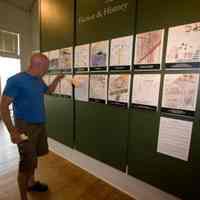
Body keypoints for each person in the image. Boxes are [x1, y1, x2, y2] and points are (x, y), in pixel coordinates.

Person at [0, 53, 71, 200]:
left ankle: (31, 183)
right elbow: (3, 107)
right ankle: (23, 197)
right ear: (38, 65)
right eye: (46, 67)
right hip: (24, 127)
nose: (47, 70)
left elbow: (48, 91)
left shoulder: (38, 80)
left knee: (34, 158)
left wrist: (57, 79)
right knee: (26, 163)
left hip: (39, 125)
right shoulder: (16, 80)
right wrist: (13, 132)